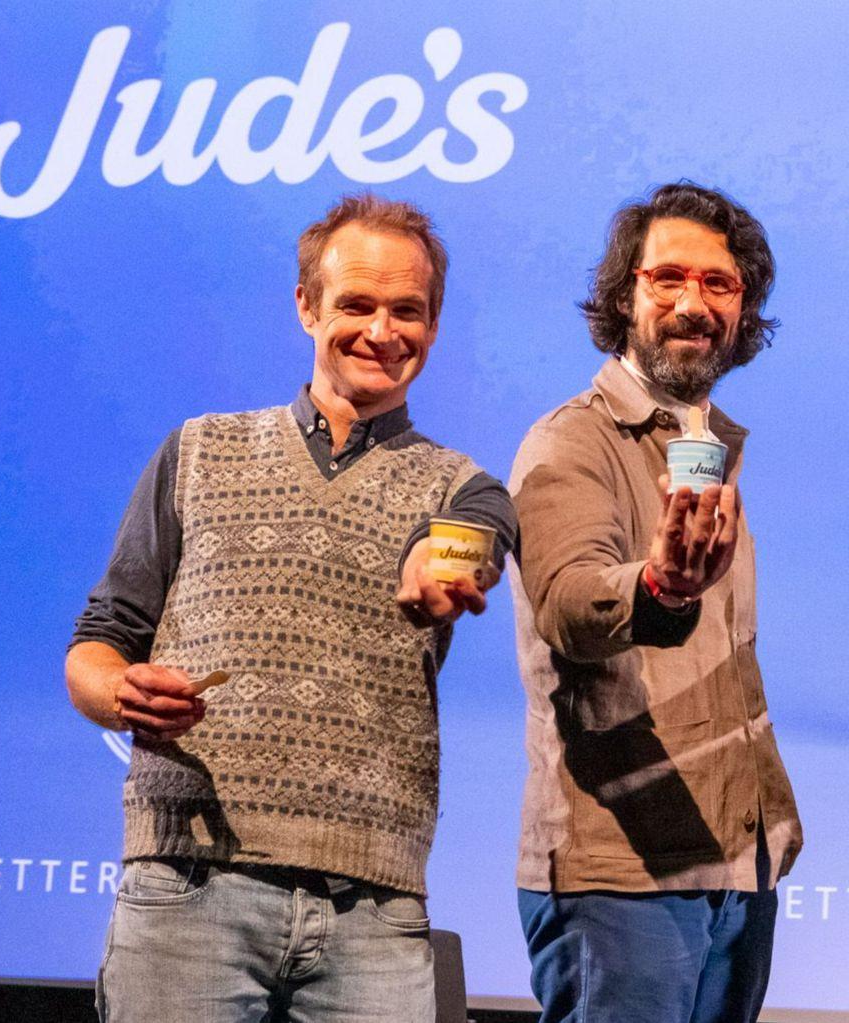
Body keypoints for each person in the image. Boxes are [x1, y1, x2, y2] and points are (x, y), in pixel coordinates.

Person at [65, 194, 514, 1022]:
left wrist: (436, 566)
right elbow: (99, 642)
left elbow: (469, 539)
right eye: (357, 304)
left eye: (407, 310)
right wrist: (118, 692)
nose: (383, 331)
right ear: (307, 305)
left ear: (435, 324)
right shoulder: (197, 450)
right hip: (188, 887)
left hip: (370, 912)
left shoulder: (462, 485)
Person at [509, 182, 802, 1022]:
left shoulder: (711, 444)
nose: (693, 303)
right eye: (667, 278)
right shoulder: (573, 438)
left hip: (736, 865)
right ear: (623, 295)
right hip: (621, 873)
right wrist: (657, 586)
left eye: (720, 284)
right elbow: (569, 601)